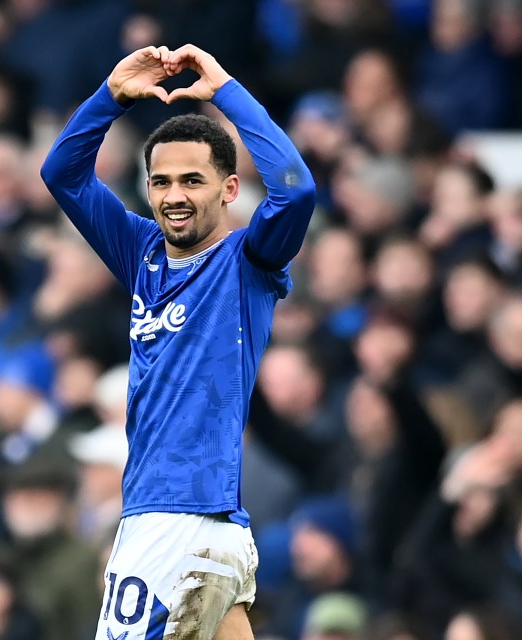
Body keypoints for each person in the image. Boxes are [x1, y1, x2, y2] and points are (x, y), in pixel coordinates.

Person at [40, 44, 316, 639]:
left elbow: (295, 190)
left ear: (230, 187)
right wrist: (110, 95)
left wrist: (226, 91)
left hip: (172, 519)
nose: (175, 195)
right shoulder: (140, 253)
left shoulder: (247, 259)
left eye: (194, 179)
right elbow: (61, 173)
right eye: (161, 182)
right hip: (213, 524)